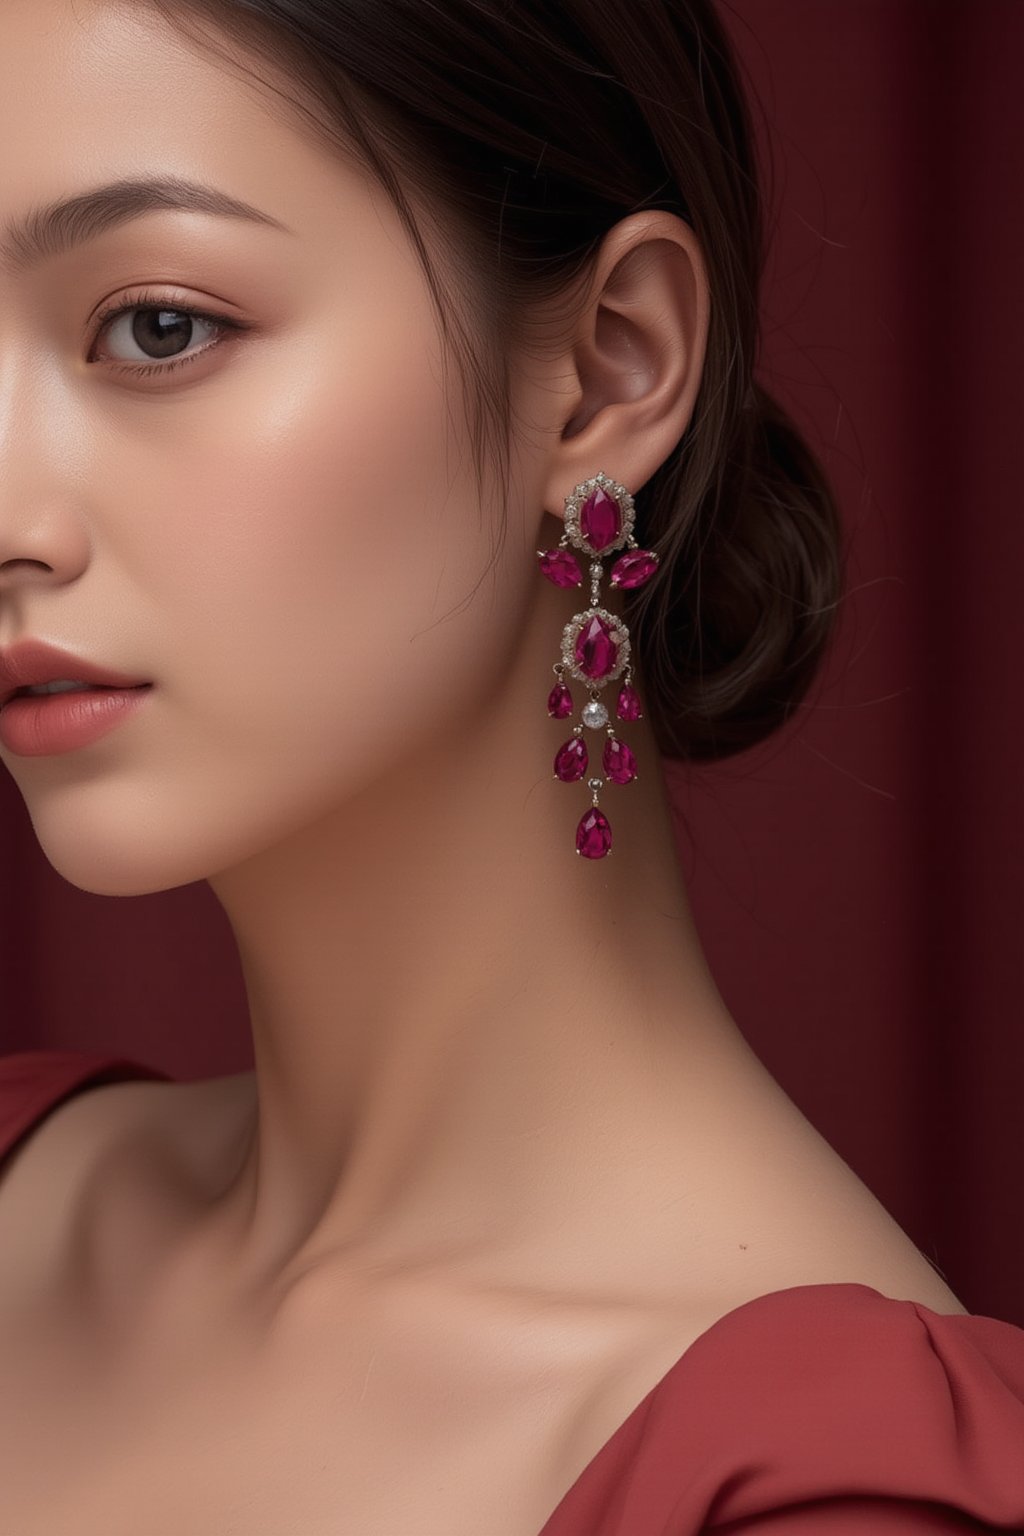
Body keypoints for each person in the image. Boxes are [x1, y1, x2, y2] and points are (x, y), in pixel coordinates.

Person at [0, 1, 1022, 1531]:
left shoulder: (817, 1494)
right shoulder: (25, 1181)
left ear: (614, 370)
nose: (13, 510)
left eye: (159, 326)